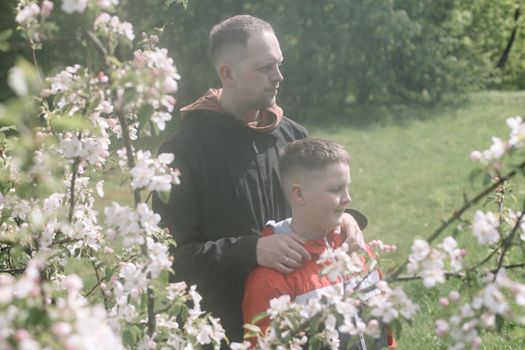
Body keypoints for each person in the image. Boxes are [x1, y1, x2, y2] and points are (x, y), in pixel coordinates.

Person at [152, 15, 364, 345]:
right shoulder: (182, 152)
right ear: (228, 73)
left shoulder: (292, 136)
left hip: (301, 329)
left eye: (278, 65)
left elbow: (311, 206)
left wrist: (347, 220)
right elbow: (172, 261)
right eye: (265, 68)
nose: (278, 76)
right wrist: (251, 250)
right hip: (222, 334)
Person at [242, 138, 396, 349]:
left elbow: (384, 326)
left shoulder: (357, 251)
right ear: (299, 194)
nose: (347, 198)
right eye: (336, 189)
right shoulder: (273, 277)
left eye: (347, 187)